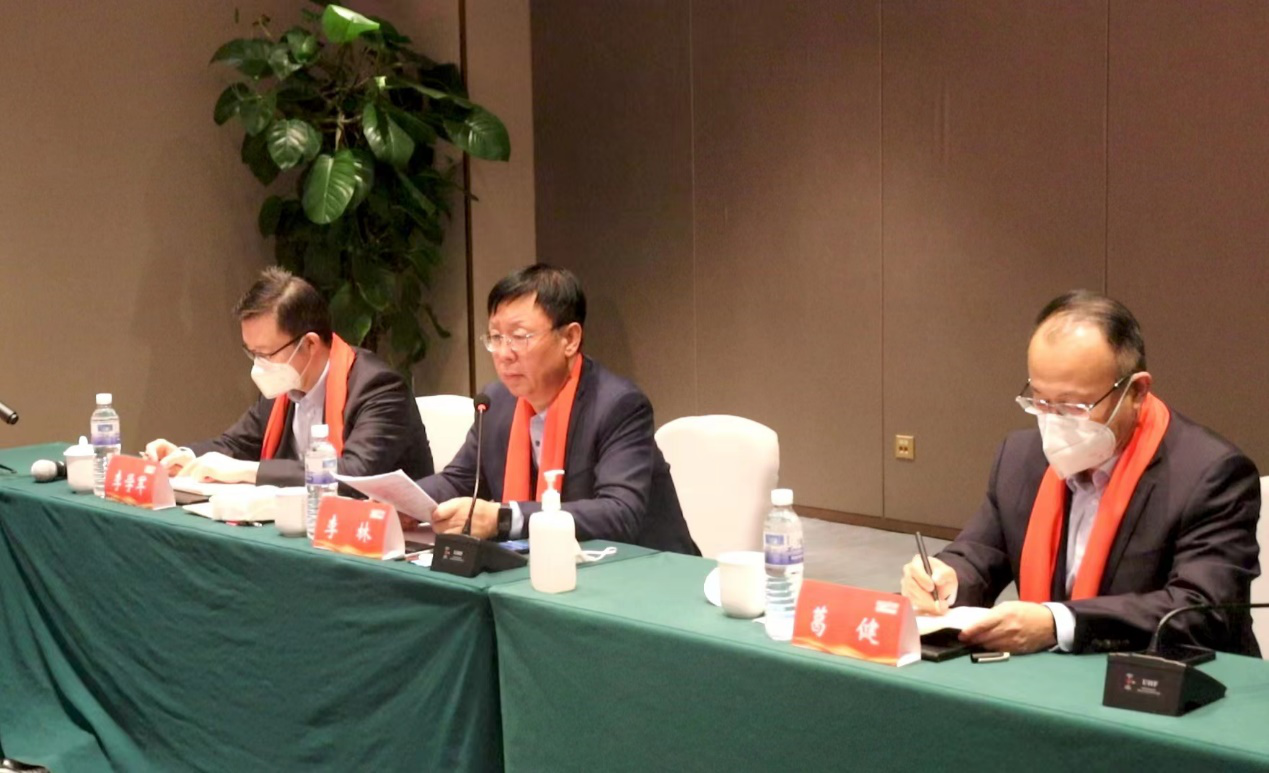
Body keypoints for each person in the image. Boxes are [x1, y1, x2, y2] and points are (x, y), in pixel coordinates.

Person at [901, 290, 1261, 655]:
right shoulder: (1020, 457)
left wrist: (1058, 624)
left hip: (1172, 676)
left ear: (1136, 392)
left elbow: (1201, 610)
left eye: (1074, 406)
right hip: (1051, 676)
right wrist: (948, 577)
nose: (1053, 422)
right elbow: (981, 551)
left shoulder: (1210, 474)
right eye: (1040, 400)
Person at [411, 264, 698, 555]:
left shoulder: (618, 405)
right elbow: (458, 481)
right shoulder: (497, 402)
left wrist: (503, 518)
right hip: (545, 566)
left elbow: (619, 512)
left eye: (519, 337)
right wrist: (402, 502)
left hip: (643, 568)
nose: (504, 354)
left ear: (570, 339)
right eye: (496, 337)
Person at [144, 267, 433, 486]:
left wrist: (250, 471)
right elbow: (234, 445)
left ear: (310, 344)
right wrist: (184, 456)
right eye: (252, 353)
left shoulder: (379, 388)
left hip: (387, 536)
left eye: (265, 353)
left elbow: (353, 475)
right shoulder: (284, 386)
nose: (259, 366)